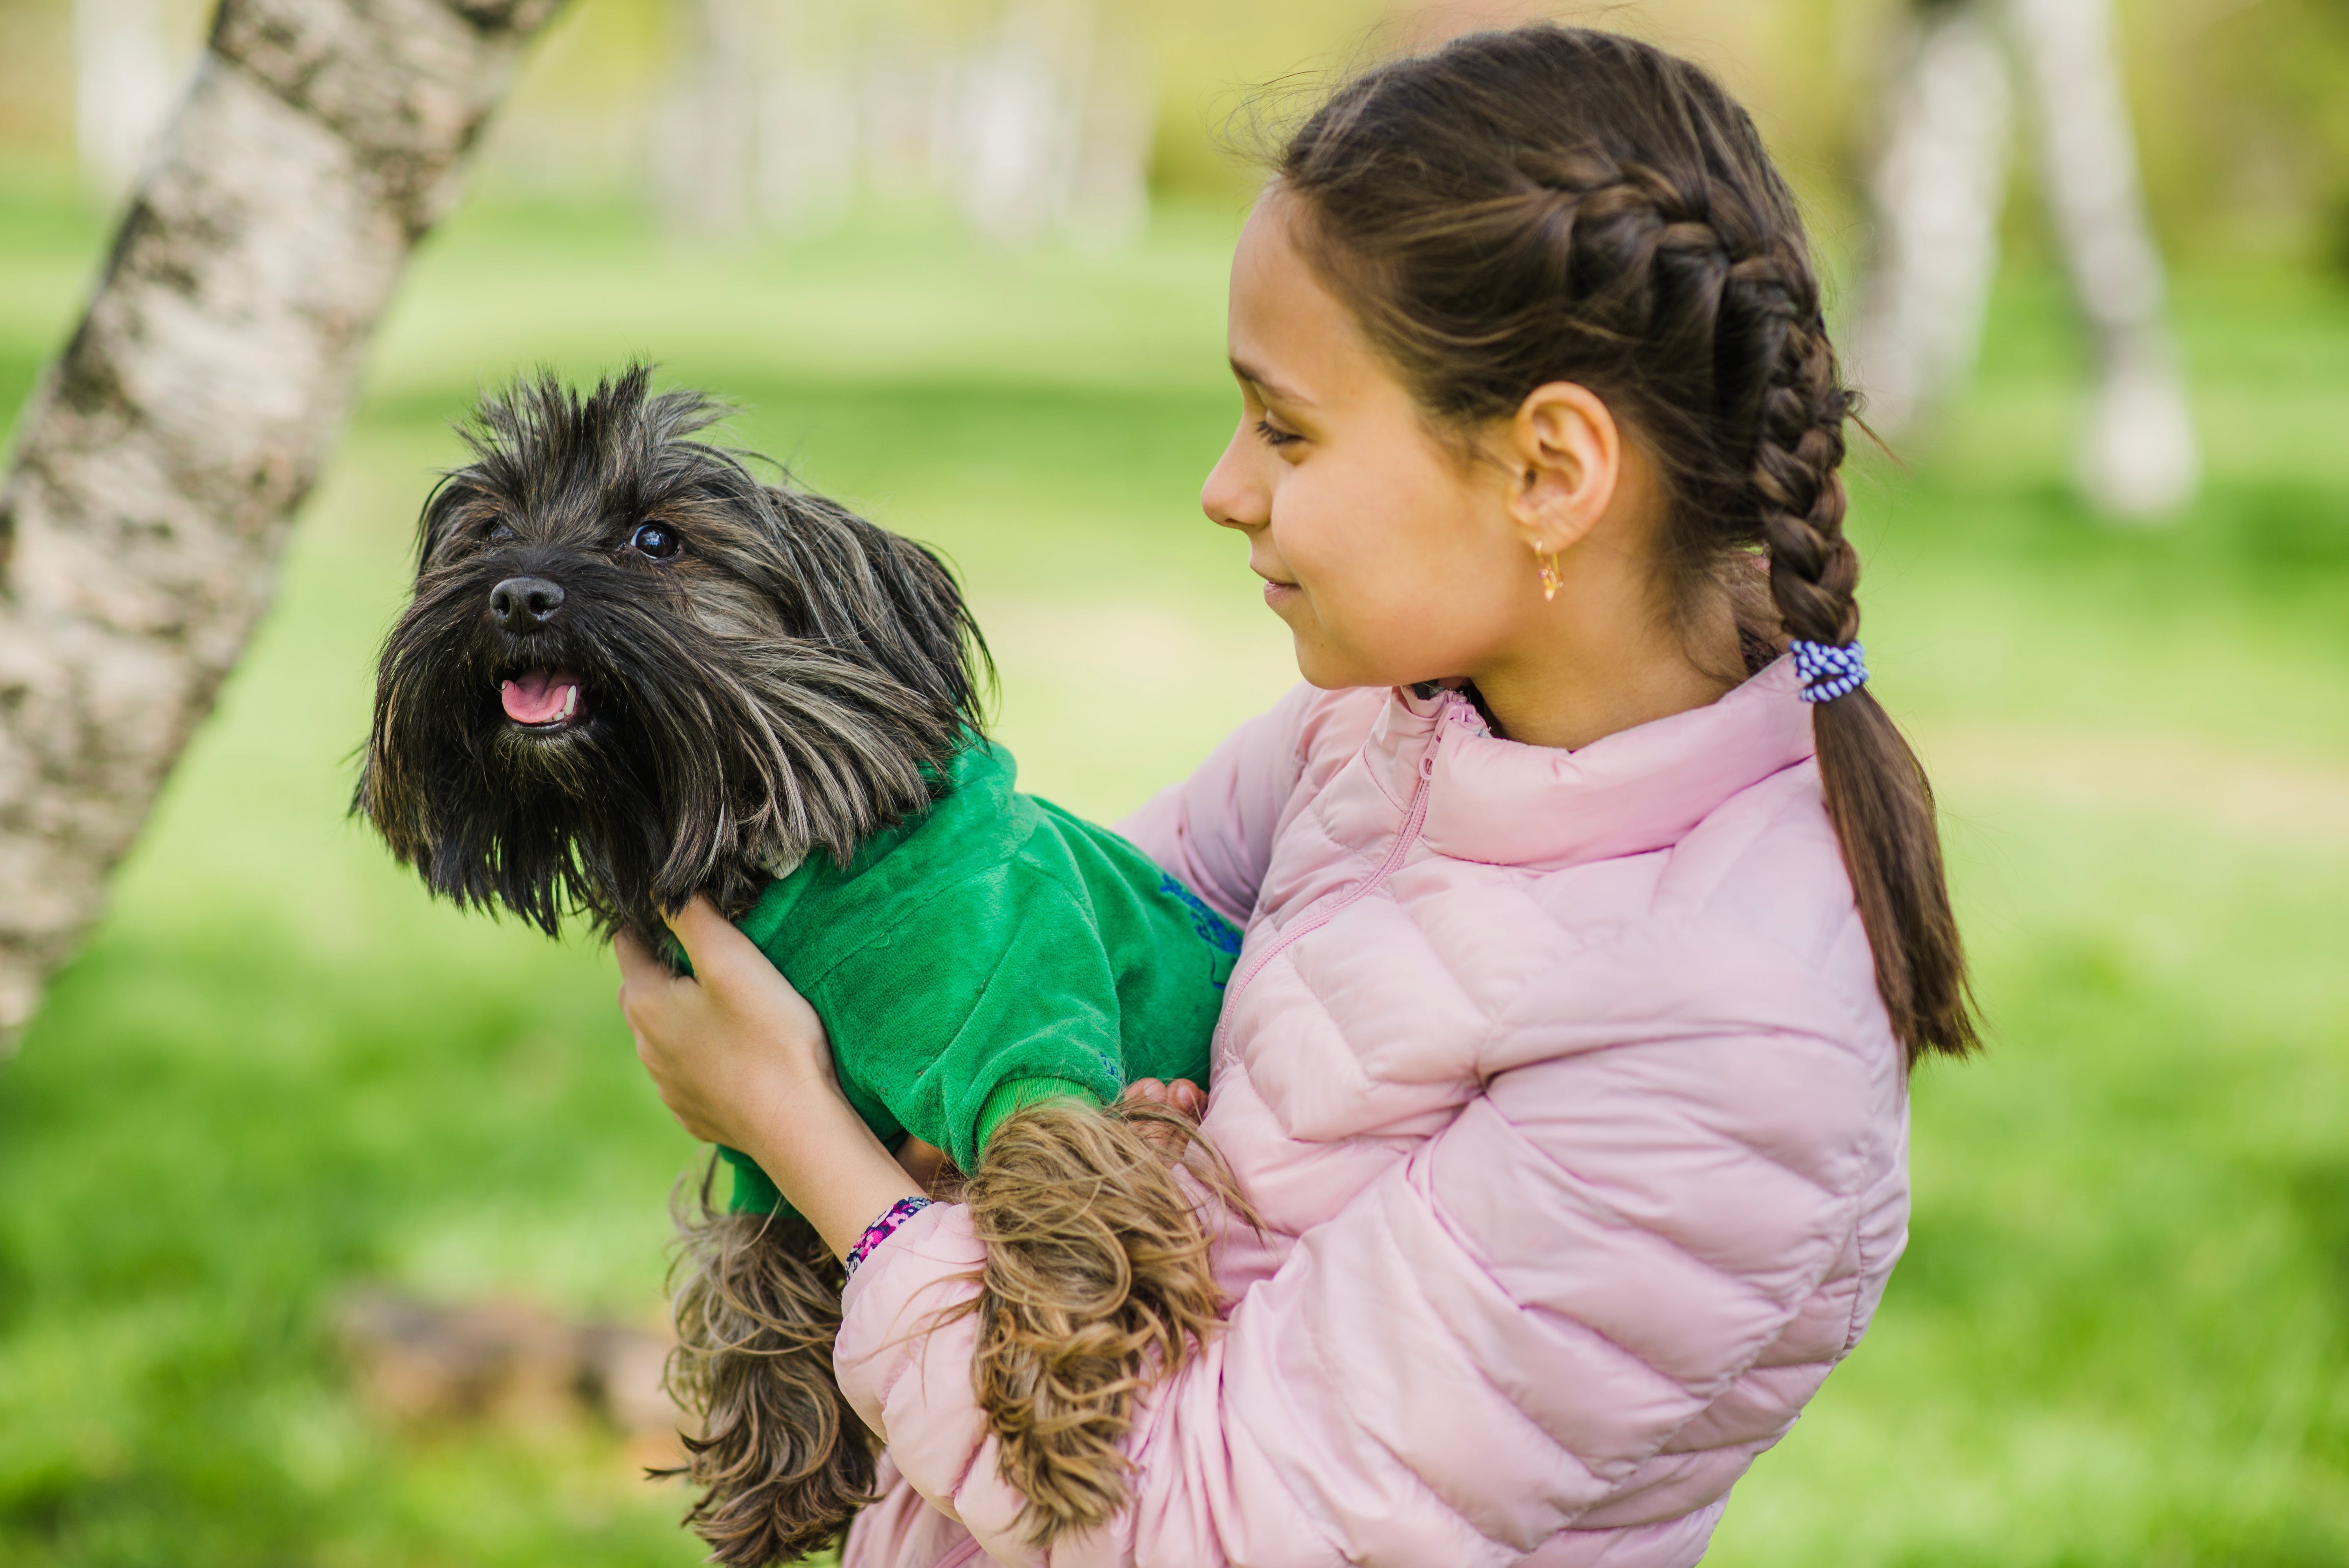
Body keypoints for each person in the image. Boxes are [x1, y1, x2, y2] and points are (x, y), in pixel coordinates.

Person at [615, 24, 1976, 1567]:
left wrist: (806, 1137)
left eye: (1287, 427)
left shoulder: (1729, 1049)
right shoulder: (1400, 732)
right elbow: (1031, 949)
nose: (1224, 486)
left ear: (1550, 471)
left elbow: (1188, 1533)